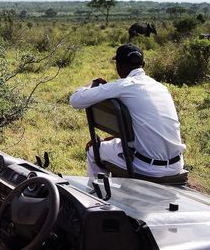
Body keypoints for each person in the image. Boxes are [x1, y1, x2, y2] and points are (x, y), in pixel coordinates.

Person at [69, 43, 186, 178]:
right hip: (176, 165)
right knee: (115, 146)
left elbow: (75, 100)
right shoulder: (161, 87)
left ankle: (97, 193)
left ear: (119, 66)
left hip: (146, 167)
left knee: (93, 150)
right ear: (144, 64)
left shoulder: (123, 85)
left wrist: (92, 84)